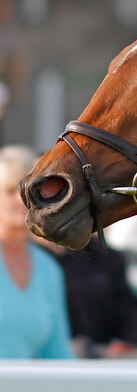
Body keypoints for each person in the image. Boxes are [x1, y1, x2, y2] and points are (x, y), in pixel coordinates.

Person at [0, 145, 74, 358]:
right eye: (9, 191)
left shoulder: (48, 269)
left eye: (29, 190)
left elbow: (59, 353)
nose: (20, 199)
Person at [41, 238, 137, 358]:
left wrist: (125, 345)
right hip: (50, 357)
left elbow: (130, 311)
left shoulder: (103, 255)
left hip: (106, 356)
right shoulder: (34, 259)